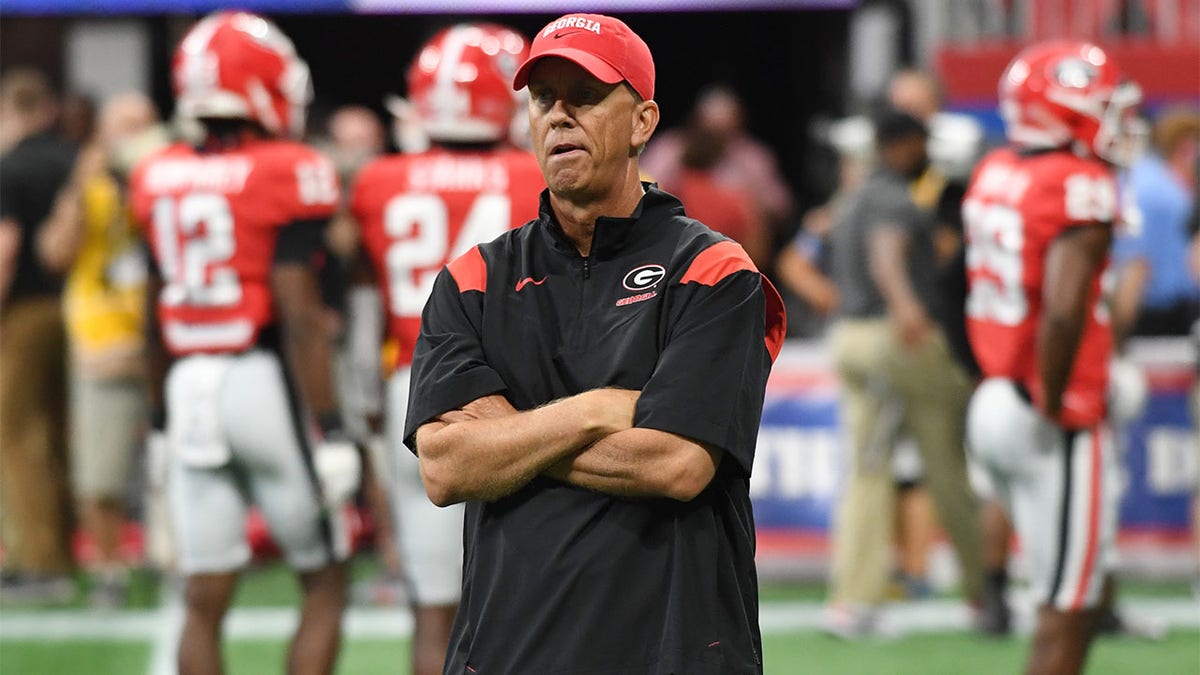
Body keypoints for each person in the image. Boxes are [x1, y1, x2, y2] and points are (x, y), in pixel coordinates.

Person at [404, 13, 786, 673]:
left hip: (672, 653)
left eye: (584, 96)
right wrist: (595, 408)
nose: (559, 115)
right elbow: (443, 468)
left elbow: (675, 463)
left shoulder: (715, 271)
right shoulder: (472, 278)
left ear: (642, 121)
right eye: (544, 98)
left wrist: (509, 436)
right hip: (507, 654)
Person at [127, 12, 357, 674]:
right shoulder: (289, 167)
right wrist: (333, 426)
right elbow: (301, 312)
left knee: (204, 594)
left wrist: (159, 419)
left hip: (187, 380)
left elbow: (150, 311)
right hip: (262, 378)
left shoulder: (156, 171)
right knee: (326, 575)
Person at [348, 22, 541, 675]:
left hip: (416, 389)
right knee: (536, 603)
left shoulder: (377, 181)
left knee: (433, 609)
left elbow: (359, 301)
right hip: (518, 395)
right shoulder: (535, 175)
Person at [963, 40, 1144, 675]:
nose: (1119, 120)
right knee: (1067, 606)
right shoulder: (1082, 184)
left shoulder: (997, 170)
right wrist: (1059, 399)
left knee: (1071, 594)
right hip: (1047, 408)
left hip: (994, 392)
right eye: (1105, 105)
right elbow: (1065, 310)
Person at [823, 108, 982, 637]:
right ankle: (986, 587)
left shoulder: (851, 198)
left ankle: (853, 597)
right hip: (895, 337)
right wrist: (908, 307)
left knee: (868, 470)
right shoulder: (893, 195)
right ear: (907, 143)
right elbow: (886, 254)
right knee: (948, 466)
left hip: (850, 335)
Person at [55, 92, 164, 607]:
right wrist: (82, 185)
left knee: (177, 464)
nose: (135, 135)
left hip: (165, 346)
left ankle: (173, 559)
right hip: (104, 342)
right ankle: (108, 567)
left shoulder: (171, 186)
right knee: (100, 473)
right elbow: (56, 252)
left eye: (144, 124)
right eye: (125, 124)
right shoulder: (90, 190)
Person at [0, 68, 79, 604]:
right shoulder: (74, 160)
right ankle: (69, 550)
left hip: (24, 311)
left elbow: (5, 249)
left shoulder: (10, 167)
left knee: (16, 434)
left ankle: (39, 560)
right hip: (76, 309)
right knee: (58, 433)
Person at [1110, 107, 1199, 341]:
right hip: (1154, 320)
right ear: (1185, 147)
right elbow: (1135, 268)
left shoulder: (1157, 183)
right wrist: (1115, 345)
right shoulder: (1155, 194)